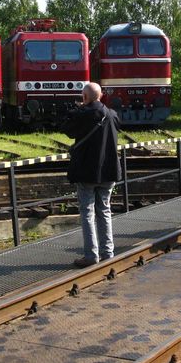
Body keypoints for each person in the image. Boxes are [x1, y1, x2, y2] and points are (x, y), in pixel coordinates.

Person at [60, 82, 122, 268]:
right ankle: (107, 252)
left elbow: (67, 129)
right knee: (104, 211)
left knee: (87, 213)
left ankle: (91, 255)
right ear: (102, 95)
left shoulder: (83, 115)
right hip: (109, 172)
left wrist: (75, 110)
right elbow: (118, 125)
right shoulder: (111, 114)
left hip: (87, 172)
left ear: (84, 97)